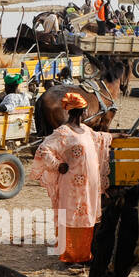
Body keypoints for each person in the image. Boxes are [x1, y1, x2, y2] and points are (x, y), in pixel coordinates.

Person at [28, 92, 110, 266]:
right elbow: (43, 149)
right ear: (80, 112)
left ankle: (85, 254)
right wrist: (58, 165)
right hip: (72, 184)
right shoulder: (63, 132)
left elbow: (100, 138)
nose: (87, 113)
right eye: (85, 110)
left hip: (89, 184)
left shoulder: (86, 130)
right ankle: (71, 256)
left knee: (86, 216)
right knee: (72, 217)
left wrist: (118, 137)